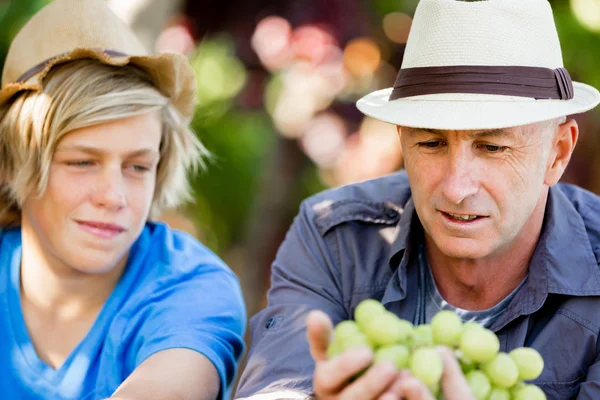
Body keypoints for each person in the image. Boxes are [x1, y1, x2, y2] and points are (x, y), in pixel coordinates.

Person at [235, 0, 600, 399]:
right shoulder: (334, 237)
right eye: (430, 142)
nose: (456, 188)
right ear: (402, 143)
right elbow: (277, 388)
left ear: (558, 154)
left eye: (493, 147)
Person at [0, 0, 246, 399]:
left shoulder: (191, 286)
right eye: (81, 162)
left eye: (137, 167)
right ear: (11, 164)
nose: (113, 197)